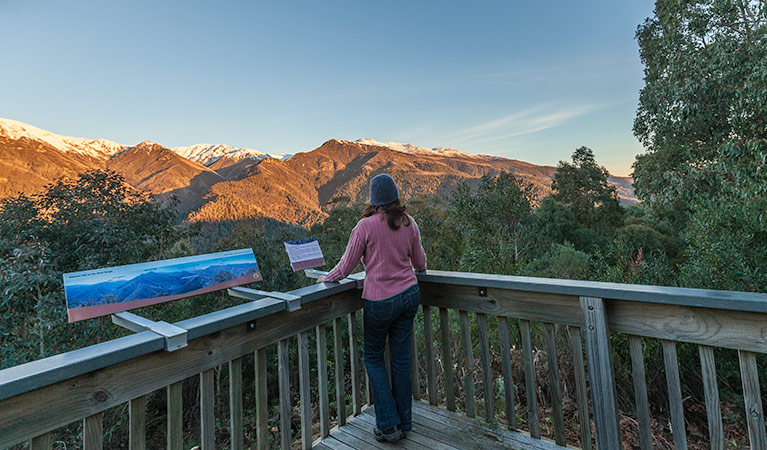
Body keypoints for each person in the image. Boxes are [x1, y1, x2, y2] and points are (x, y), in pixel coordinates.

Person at [319, 173, 426, 442]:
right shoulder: (408, 222)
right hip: (410, 295)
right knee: (400, 360)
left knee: (374, 358)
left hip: (380, 301)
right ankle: (404, 422)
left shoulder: (364, 227)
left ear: (373, 199)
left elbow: (345, 267)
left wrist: (324, 278)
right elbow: (420, 262)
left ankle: (389, 425)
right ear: (395, 197)